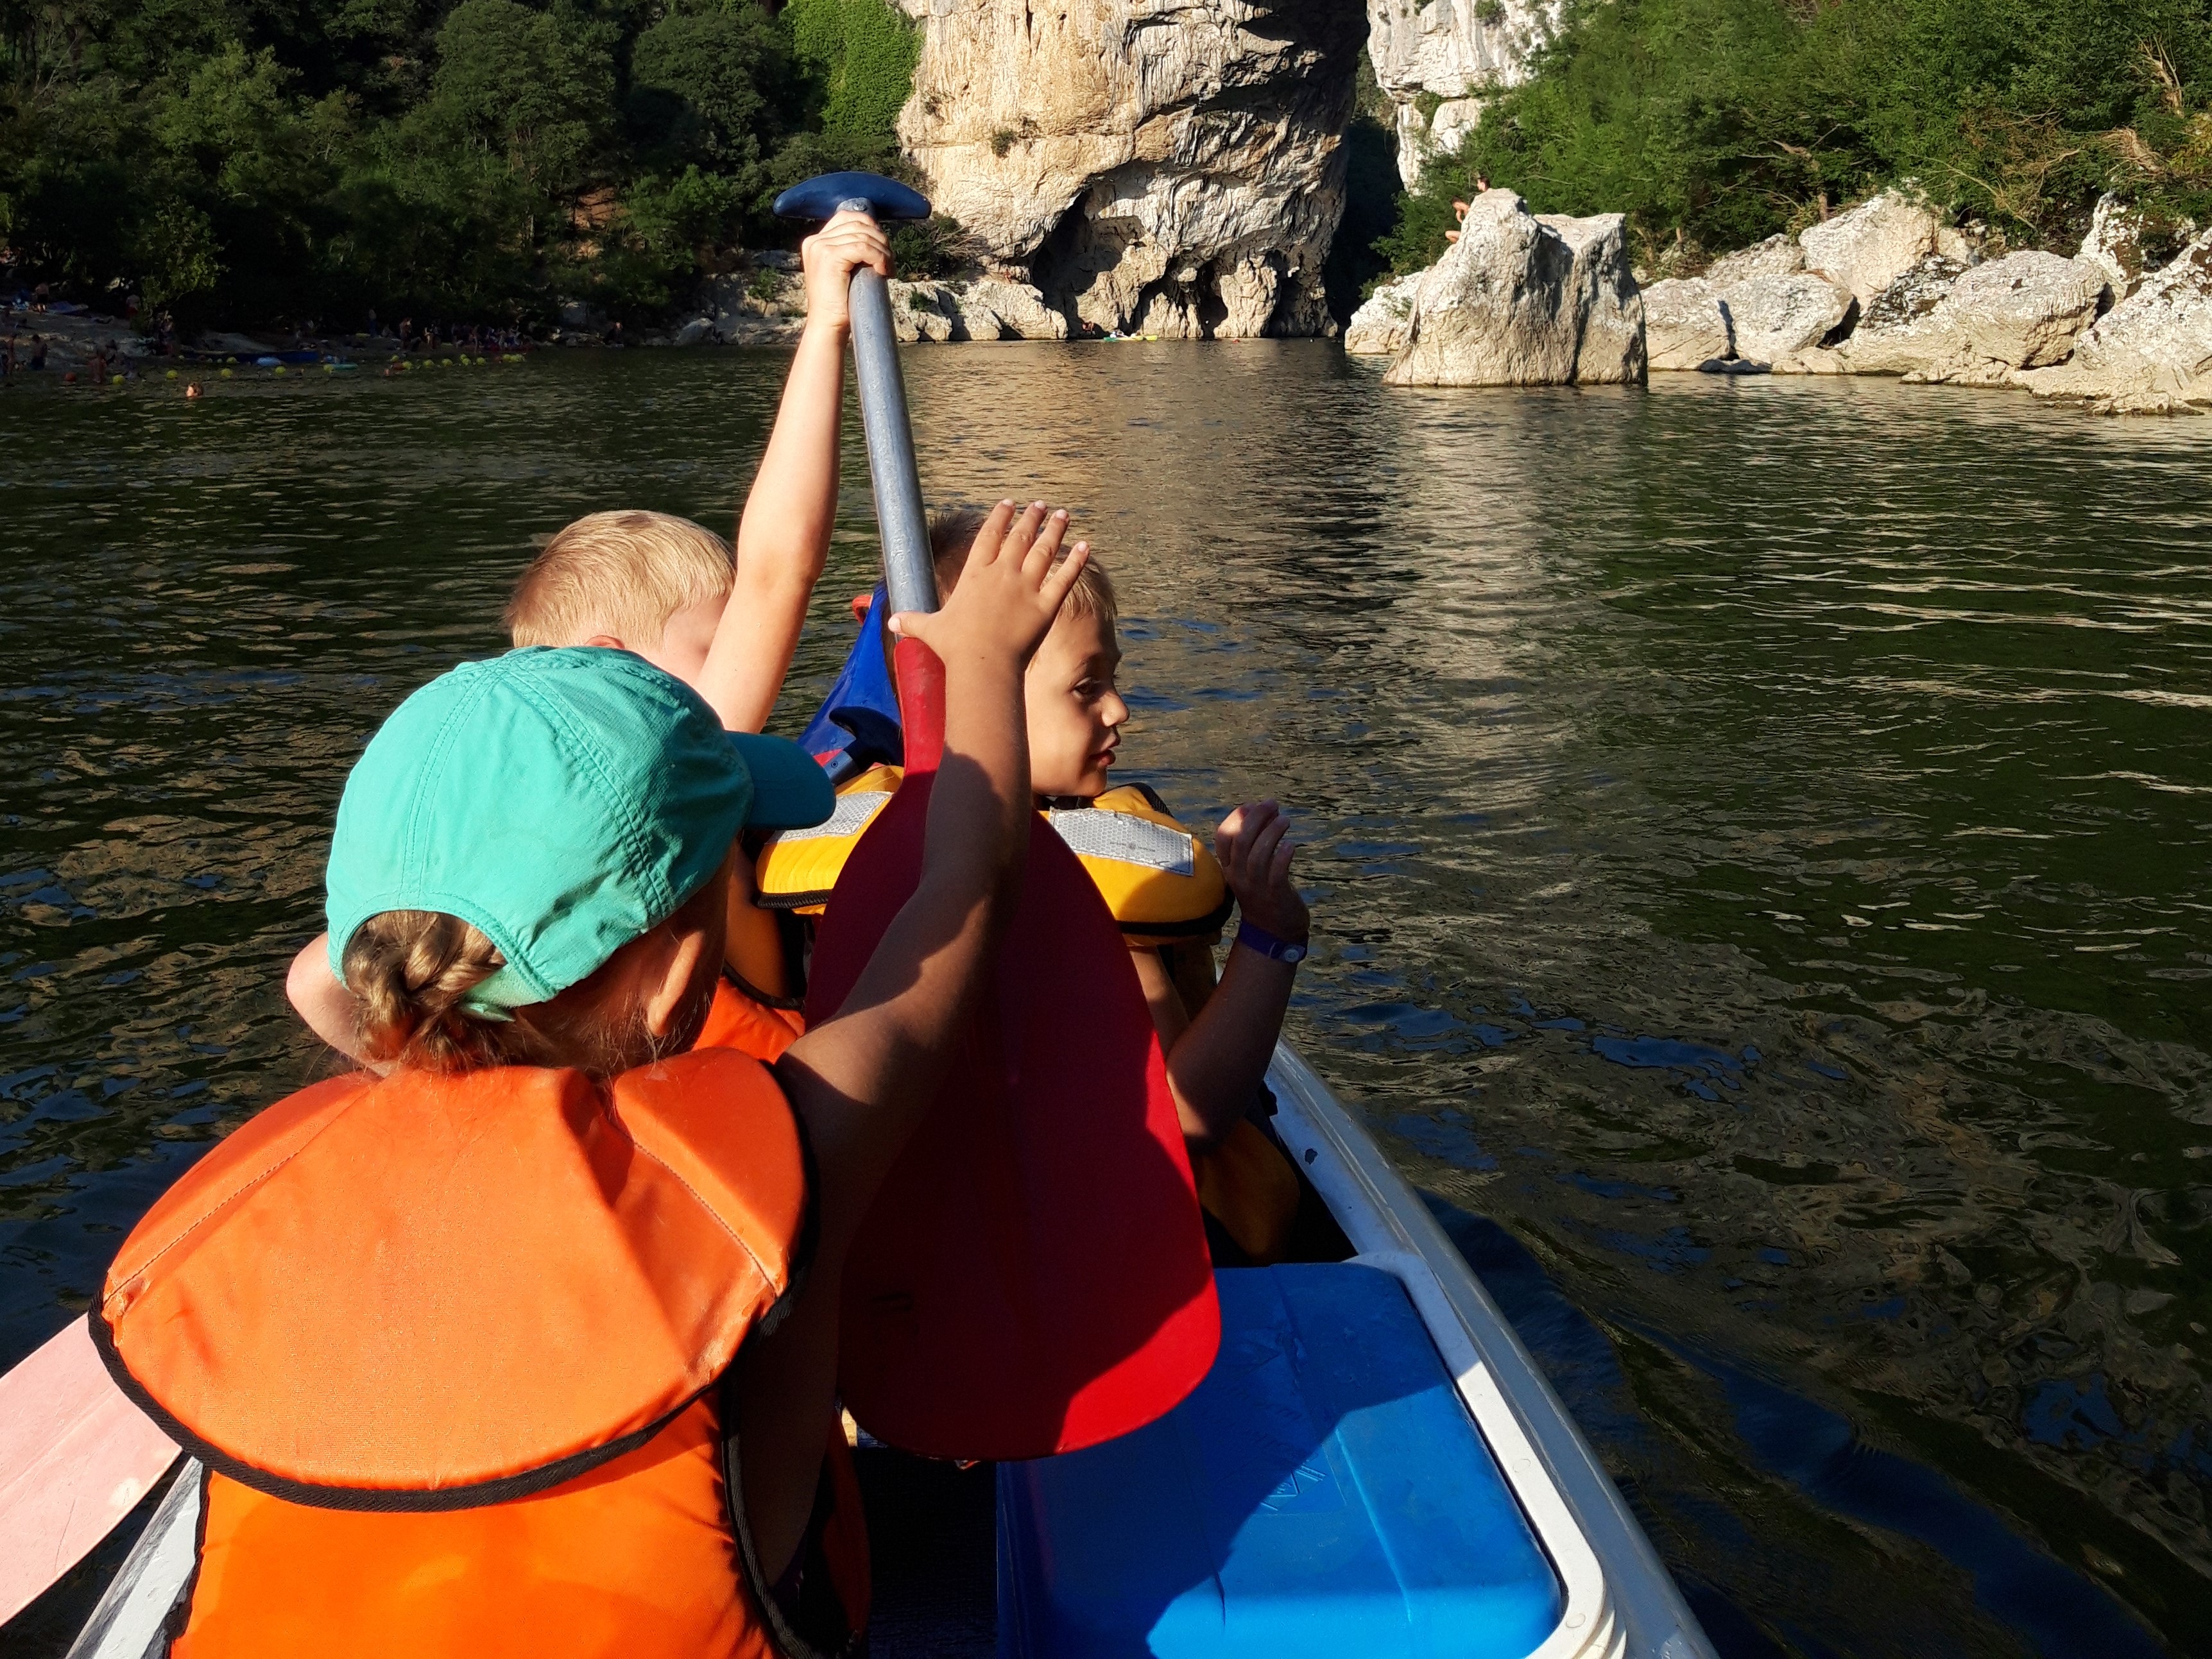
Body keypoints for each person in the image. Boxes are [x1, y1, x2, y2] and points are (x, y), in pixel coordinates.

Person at [92, 500, 1088, 1655]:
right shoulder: (795, 1153)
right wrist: (983, 660)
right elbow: (969, 883)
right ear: (675, 977)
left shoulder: (276, 1200)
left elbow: (321, 980)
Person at [285, 210, 892, 1066]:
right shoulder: (653, 754)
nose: (736, 663)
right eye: (708, 645)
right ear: (613, 663)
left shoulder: (453, 949)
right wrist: (825, 320)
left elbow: (313, 978)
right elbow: (776, 570)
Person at [759, 510, 1329, 1266]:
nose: (1119, 709)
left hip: (940, 1249)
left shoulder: (866, 853)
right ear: (970, 691)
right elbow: (1184, 1120)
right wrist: (1271, 937)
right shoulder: (1091, 891)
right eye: (1088, 686)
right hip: (1140, 1254)